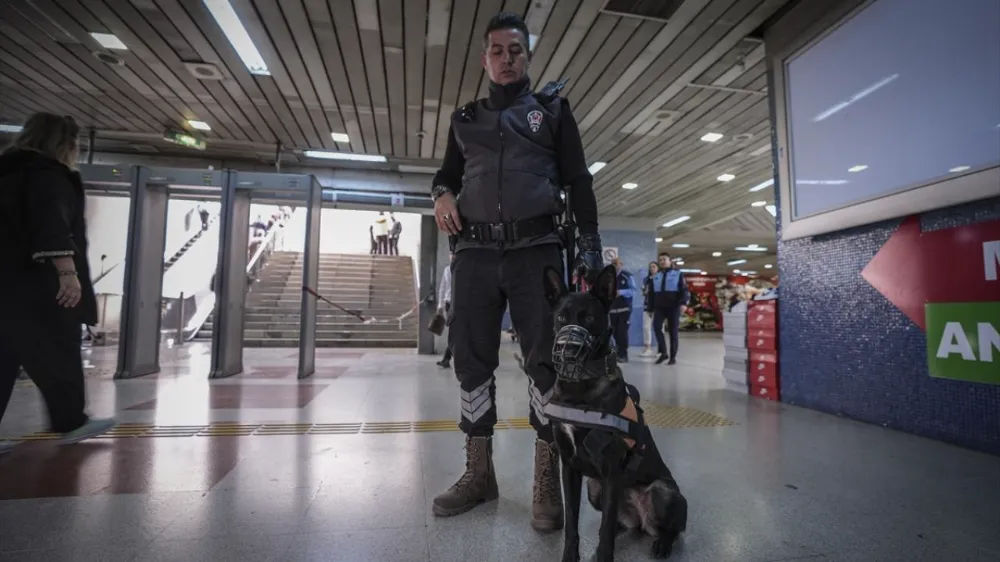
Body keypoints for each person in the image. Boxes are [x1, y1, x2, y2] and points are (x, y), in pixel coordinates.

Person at [428, 11, 603, 530]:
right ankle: (479, 473)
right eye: (497, 52)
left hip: (538, 254)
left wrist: (590, 246)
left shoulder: (551, 112)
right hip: (475, 256)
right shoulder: (464, 119)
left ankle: (545, 480)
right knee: (471, 361)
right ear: (485, 59)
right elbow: (445, 175)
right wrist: (440, 196)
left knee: (544, 365)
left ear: (527, 56)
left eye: (516, 51)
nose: (507, 59)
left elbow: (578, 179)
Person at [0, 113, 116, 456]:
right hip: (38, 286)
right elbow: (51, 224)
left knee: (4, 356)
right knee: (59, 349)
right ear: (64, 144)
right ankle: (70, 422)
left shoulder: (6, 171)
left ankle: (70, 420)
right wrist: (67, 272)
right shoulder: (48, 176)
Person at [650, 252, 690, 365]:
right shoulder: (656, 276)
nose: (662, 261)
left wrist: (683, 303)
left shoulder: (678, 274)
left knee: (673, 332)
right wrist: (650, 308)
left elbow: (684, 290)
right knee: (657, 327)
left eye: (664, 259)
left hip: (673, 306)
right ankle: (663, 353)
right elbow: (652, 294)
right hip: (659, 307)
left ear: (670, 261)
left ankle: (673, 357)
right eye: (660, 259)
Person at [609, 258, 636, 362]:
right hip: (612, 310)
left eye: (616, 264)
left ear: (621, 264)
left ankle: (624, 354)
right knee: (614, 333)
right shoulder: (608, 277)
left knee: (622, 333)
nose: (615, 266)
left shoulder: (627, 275)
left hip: (624, 310)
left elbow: (633, 291)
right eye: (612, 264)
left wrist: (620, 292)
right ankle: (618, 352)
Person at [436, 252, 454, 368]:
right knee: (454, 331)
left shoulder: (464, 269)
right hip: (449, 303)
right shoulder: (447, 270)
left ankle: (447, 358)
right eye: (451, 254)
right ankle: (447, 358)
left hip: (461, 303)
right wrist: (440, 306)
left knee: (455, 332)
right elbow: (442, 287)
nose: (452, 256)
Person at [641, 261, 659, 357]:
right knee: (646, 327)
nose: (652, 268)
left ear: (657, 268)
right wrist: (644, 291)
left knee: (659, 328)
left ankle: (661, 349)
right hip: (647, 306)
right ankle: (647, 348)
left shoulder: (660, 278)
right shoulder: (646, 279)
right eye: (650, 267)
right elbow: (645, 293)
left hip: (658, 306)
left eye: (654, 267)